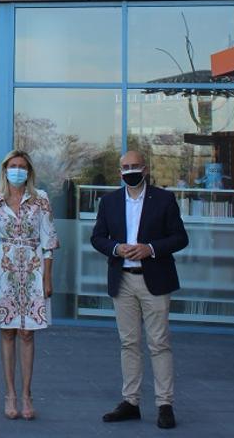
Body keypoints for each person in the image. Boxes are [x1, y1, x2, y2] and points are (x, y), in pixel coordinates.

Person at [90, 150, 190, 430]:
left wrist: (151, 249)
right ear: (119, 171)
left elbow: (180, 237)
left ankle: (164, 404)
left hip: (154, 279)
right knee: (128, 343)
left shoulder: (164, 199)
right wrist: (115, 247)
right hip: (122, 280)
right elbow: (97, 237)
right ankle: (131, 402)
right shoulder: (109, 202)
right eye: (125, 167)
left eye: (134, 166)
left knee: (159, 343)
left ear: (145, 169)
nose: (129, 171)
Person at [0, 150, 59, 420]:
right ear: (5, 170)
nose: (17, 170)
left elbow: (49, 241)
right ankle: (10, 394)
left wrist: (48, 278)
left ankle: (27, 394)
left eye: (22, 166)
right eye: (13, 166)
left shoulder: (42, 199)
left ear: (29, 171)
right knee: (8, 332)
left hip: (34, 270)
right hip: (5, 270)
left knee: (28, 333)